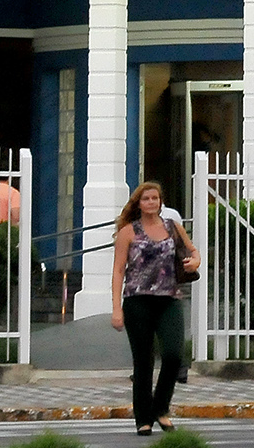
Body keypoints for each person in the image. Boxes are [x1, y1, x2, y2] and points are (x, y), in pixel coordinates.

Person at [109, 181, 199, 436]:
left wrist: (195, 261)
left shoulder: (172, 227)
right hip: (137, 300)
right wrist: (116, 308)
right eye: (146, 198)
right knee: (143, 361)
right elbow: (118, 271)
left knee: (173, 355)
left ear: (160, 202)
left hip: (169, 298)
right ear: (138, 203)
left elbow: (193, 251)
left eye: (155, 198)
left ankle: (160, 408)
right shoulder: (128, 232)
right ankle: (143, 418)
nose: (151, 202)